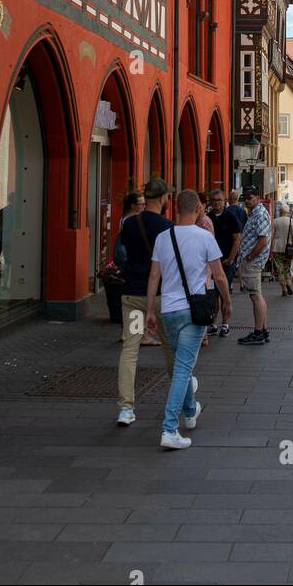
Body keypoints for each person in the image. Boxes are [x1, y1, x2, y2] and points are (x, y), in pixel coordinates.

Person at [145, 188, 230, 449]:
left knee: (182, 366)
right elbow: (219, 276)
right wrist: (227, 302)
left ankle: (191, 411)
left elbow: (154, 276)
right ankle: (169, 429)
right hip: (194, 311)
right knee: (183, 369)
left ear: (175, 208)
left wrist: (149, 310)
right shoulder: (205, 238)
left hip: (169, 310)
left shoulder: (163, 237)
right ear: (199, 209)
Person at [115, 179, 174, 426]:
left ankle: (126, 408)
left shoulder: (129, 224)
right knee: (170, 348)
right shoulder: (167, 227)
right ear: (162, 198)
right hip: (160, 297)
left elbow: (120, 254)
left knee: (130, 350)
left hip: (133, 296)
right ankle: (181, 399)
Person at [237, 187, 271, 345]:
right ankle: (263, 330)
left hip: (254, 262)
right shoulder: (254, 213)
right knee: (257, 295)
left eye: (249, 197)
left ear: (258, 197)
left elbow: (263, 241)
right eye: (245, 198)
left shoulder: (260, 214)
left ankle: (258, 332)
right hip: (253, 261)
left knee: (255, 296)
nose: (246, 200)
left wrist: (250, 256)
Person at [208, 188, 241, 336]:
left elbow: (237, 239)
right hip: (211, 263)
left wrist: (231, 259)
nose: (217, 203)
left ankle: (225, 324)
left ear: (225, 201)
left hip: (226, 262)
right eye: (214, 200)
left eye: (219, 200)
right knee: (212, 294)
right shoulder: (208, 218)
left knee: (224, 293)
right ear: (210, 202)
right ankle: (213, 323)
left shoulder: (231, 216)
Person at [271, 202, 293, 296]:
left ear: (280, 211)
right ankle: (288, 283)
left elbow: (272, 235)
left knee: (280, 268)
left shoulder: (275, 221)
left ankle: (284, 288)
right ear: (287, 212)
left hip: (277, 247)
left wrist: (271, 248)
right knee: (287, 267)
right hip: (288, 247)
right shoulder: (291, 221)